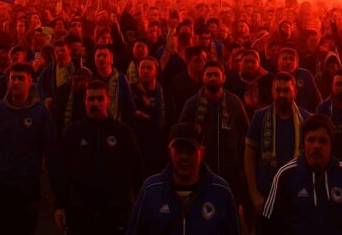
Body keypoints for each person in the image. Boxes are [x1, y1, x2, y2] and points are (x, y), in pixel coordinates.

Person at [0, 63, 60, 233]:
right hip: (2, 186)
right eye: (13, 78)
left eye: (21, 78)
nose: (16, 82)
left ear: (30, 82)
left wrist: (60, 199)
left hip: (28, 186)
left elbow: (52, 153)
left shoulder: (41, 113)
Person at [55, 80, 144, 234]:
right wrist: (60, 205)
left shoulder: (122, 132)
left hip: (115, 212)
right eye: (91, 99)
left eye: (99, 99)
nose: (95, 103)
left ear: (107, 101)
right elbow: (62, 172)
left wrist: (141, 205)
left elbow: (137, 168)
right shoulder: (73, 133)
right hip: (81, 212)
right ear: (85, 102)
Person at [259, 114, 342, 234]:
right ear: (303, 143)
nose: (316, 146)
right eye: (311, 140)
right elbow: (267, 225)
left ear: (331, 144)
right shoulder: (285, 175)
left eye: (323, 140)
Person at [126, 122, 240, 234]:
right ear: (170, 151)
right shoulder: (151, 190)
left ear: (202, 152)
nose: (184, 156)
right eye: (179, 150)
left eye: (191, 150)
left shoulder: (220, 191)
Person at [179, 60, 249, 206]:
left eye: (216, 75)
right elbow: (182, 137)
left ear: (223, 77)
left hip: (231, 173)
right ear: (203, 77)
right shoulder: (192, 104)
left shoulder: (234, 103)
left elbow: (245, 134)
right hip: (201, 171)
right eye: (209, 75)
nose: (212, 78)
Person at [245, 72, 310, 215]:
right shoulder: (259, 117)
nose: (281, 94)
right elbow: (249, 158)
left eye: (286, 90)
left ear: (295, 92)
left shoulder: (307, 120)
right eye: (278, 90)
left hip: (299, 195)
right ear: (272, 92)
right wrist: (254, 195)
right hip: (267, 196)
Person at [131, 56, 167, 176]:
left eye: (149, 68)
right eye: (142, 68)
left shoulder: (163, 92)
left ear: (156, 71)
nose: (145, 71)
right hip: (137, 143)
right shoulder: (132, 90)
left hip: (158, 144)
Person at [91, 45, 135, 123]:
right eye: (98, 56)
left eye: (104, 56)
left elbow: (128, 106)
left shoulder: (121, 79)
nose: (101, 58)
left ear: (111, 59)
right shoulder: (91, 80)